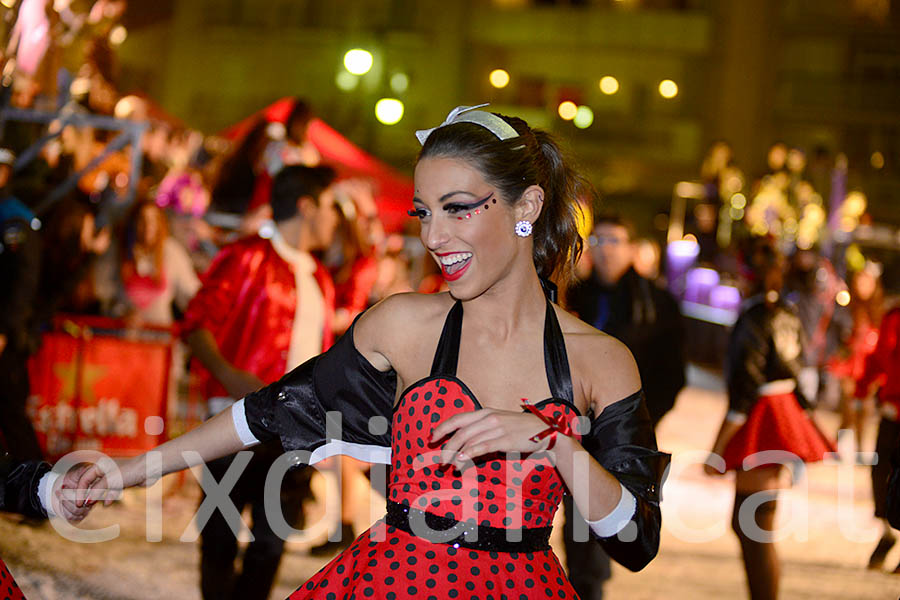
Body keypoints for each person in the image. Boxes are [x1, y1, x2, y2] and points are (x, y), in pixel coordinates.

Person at [71, 104, 669, 598]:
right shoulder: (404, 325)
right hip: (394, 582)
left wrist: (551, 442)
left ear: (528, 207)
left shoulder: (600, 360)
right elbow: (267, 412)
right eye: (424, 212)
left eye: (458, 208)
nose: (433, 237)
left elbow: (636, 541)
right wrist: (123, 473)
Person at [181, 165, 339, 600]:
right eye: (330, 206)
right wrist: (230, 375)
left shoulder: (321, 279)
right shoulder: (245, 255)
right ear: (306, 207)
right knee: (219, 533)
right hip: (235, 423)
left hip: (295, 430)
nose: (335, 218)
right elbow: (196, 323)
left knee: (271, 542)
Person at [706, 236, 834, 600]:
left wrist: (717, 450)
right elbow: (797, 368)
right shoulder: (788, 312)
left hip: (764, 417)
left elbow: (744, 390)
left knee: (753, 524)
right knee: (754, 522)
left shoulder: (754, 317)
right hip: (781, 412)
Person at [564, 213, 685, 599]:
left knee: (619, 517)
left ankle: (591, 579)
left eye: (614, 241)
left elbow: (671, 375)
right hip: (575, 427)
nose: (605, 252)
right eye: (597, 242)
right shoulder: (573, 294)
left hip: (623, 429)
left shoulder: (658, 304)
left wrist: (639, 424)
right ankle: (587, 582)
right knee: (578, 519)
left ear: (632, 248)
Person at [0, 148, 44, 461]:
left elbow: (23, 281)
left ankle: (34, 492)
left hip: (7, 333)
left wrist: (4, 329)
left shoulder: (15, 216)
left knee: (10, 412)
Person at [853, 303, 900, 572]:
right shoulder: (894, 316)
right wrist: (862, 389)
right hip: (893, 409)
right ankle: (887, 532)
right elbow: (880, 356)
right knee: (881, 472)